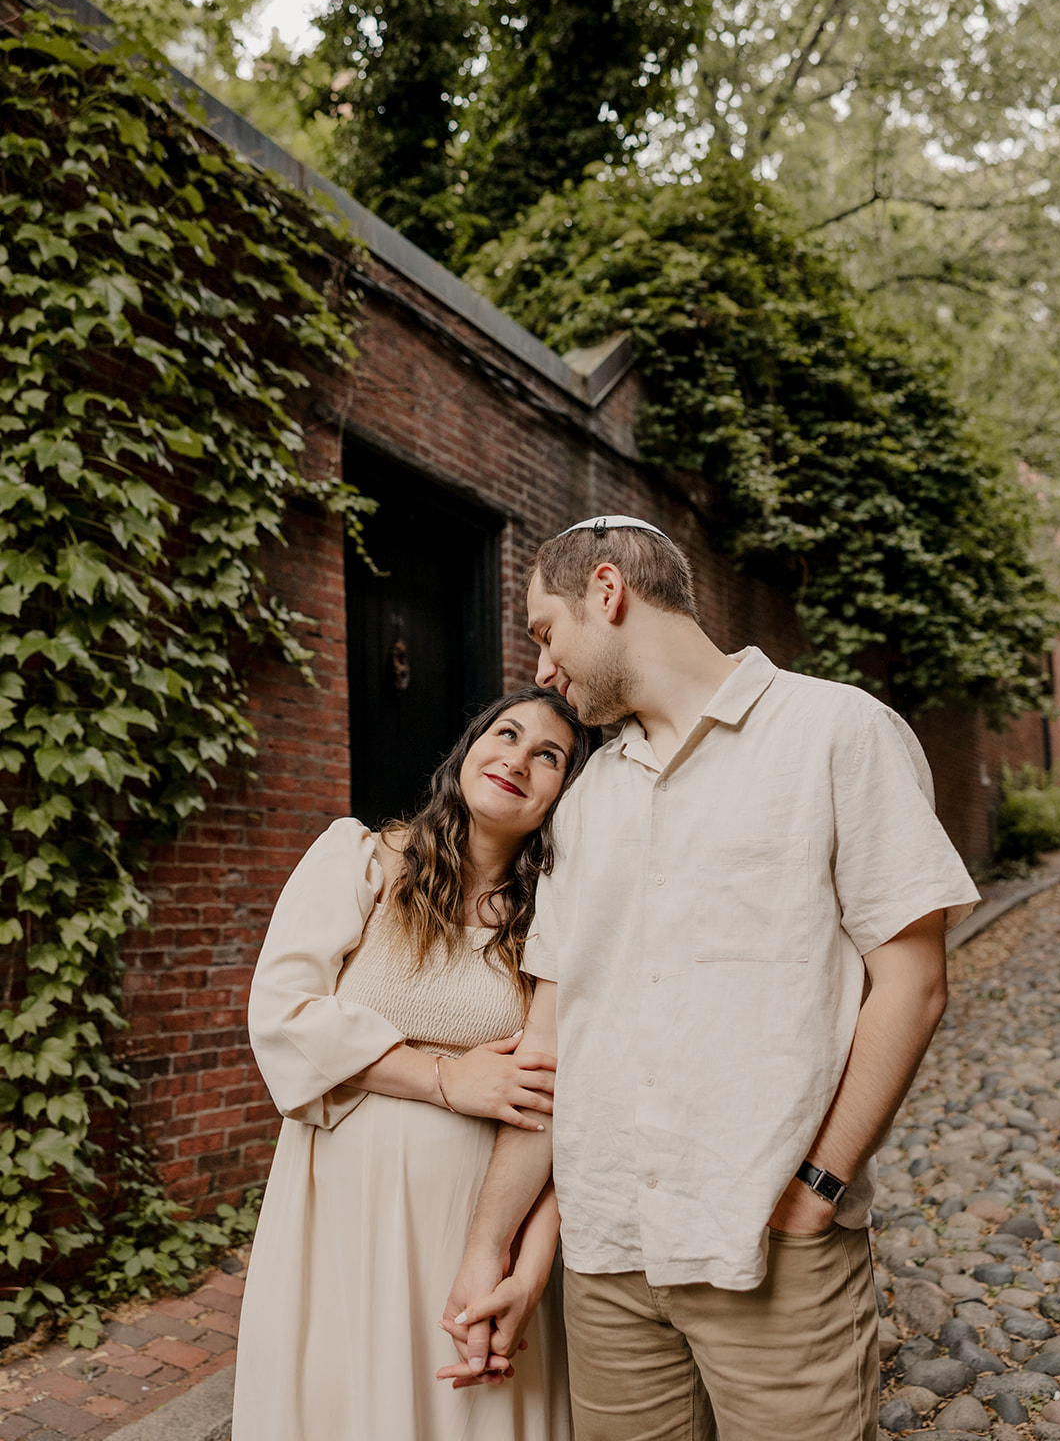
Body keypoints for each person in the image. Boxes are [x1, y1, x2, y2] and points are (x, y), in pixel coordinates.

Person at [442, 515, 979, 1441]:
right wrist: (485, 1254)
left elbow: (913, 985)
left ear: (605, 592)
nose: (541, 668)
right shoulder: (588, 798)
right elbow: (547, 1045)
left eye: (544, 631)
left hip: (770, 1254)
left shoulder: (835, 732)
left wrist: (815, 1188)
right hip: (607, 1267)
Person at [231, 685, 598, 1441]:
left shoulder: (555, 921)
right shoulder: (361, 860)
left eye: (548, 756)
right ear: (468, 749)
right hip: (338, 1218)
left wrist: (525, 1271)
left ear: (567, 794)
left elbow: (568, 1107)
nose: (516, 759)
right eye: (504, 734)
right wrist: (443, 1078)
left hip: (475, 1224)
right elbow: (283, 1013)